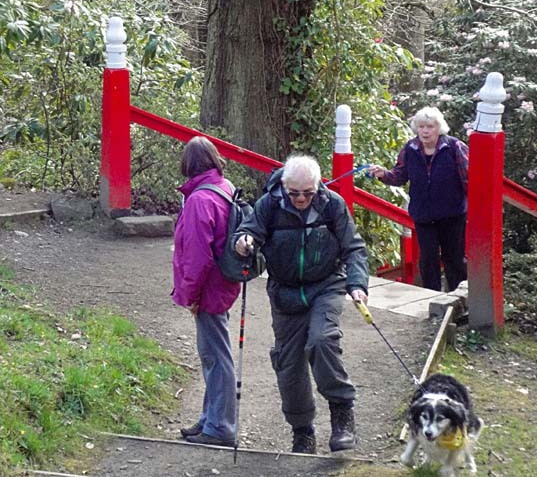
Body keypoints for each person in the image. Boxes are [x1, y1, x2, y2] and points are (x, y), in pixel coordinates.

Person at [234, 154, 369, 454]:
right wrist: (243, 241)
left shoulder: (332, 204)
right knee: (288, 363)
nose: (301, 199)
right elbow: (247, 232)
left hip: (326, 285)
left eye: (308, 193)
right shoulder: (269, 204)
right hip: (285, 291)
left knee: (322, 341)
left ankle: (342, 413)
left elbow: (354, 248)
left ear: (317, 186)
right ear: (284, 186)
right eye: (294, 193)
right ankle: (303, 431)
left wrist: (357, 284)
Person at [172, 136, 240, 447]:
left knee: (215, 356)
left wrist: (191, 295)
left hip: (209, 288)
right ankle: (210, 418)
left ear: (188, 165)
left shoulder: (200, 200)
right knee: (213, 354)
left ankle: (220, 427)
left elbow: (198, 256)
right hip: (222, 282)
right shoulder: (223, 188)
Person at [368, 106, 468, 292]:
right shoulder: (410, 148)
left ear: (439, 128)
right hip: (424, 215)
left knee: (454, 259)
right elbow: (399, 176)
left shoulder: (454, 147)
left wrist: (476, 209)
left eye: (430, 126)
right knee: (428, 259)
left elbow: (469, 179)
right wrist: (383, 174)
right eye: (421, 126)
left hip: (452, 214)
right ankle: (431, 298)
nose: (425, 131)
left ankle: (458, 300)